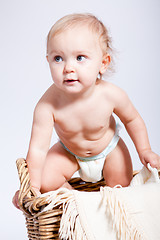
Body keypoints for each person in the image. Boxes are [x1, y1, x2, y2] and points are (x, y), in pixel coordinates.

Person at [13, 13, 160, 209]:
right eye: (58, 58)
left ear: (103, 63)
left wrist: (145, 150)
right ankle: (78, 205)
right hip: (70, 152)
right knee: (48, 180)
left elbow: (132, 120)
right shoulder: (47, 105)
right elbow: (38, 149)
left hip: (109, 150)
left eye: (80, 58)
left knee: (120, 189)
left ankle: (106, 209)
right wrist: (32, 187)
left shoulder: (111, 95)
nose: (68, 68)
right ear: (47, 60)